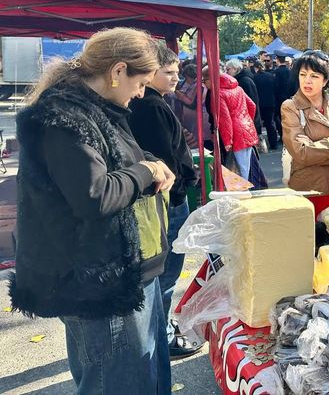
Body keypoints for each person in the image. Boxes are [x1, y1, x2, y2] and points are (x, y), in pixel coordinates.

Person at [11, 28, 175, 394]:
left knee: (142, 377)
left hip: (124, 272)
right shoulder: (63, 120)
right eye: (141, 82)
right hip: (95, 280)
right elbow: (93, 196)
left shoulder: (98, 109)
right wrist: (145, 171)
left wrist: (148, 163)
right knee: (113, 383)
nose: (141, 93)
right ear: (118, 71)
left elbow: (114, 161)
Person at [127, 44, 201, 361]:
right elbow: (163, 160)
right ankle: (163, 335)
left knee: (164, 273)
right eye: (168, 72)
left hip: (165, 199)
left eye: (175, 72)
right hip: (166, 201)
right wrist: (183, 185)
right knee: (166, 274)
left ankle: (159, 331)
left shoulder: (155, 103)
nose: (175, 78)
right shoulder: (151, 107)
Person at [281, 50, 329, 194]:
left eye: (314, 76)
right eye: (302, 75)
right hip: (307, 187)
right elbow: (302, 154)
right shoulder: (290, 106)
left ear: (325, 80)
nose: (307, 81)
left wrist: (314, 147)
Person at [202, 68, 258, 179]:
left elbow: (224, 119)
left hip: (235, 133)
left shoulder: (218, 94)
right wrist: (246, 120)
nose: (204, 84)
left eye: (204, 81)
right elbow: (252, 105)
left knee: (240, 170)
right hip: (246, 128)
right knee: (246, 166)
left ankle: (243, 193)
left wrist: (227, 141)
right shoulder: (238, 88)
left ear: (211, 79)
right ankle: (248, 190)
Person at [227, 58, 262, 135]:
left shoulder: (245, 81)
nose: (227, 72)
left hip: (249, 120)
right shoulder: (241, 80)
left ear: (235, 69)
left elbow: (252, 102)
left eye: (228, 69)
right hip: (247, 119)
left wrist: (251, 120)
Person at [252, 60, 279, 150]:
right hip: (270, 103)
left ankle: (260, 145)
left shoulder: (254, 78)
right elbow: (275, 89)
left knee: (258, 124)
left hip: (259, 104)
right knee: (270, 124)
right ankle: (273, 143)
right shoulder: (270, 76)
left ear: (256, 68)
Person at [273, 55, 291, 138]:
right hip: (288, 97)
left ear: (277, 60)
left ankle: (283, 135)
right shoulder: (289, 71)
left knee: (280, 118)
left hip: (279, 98)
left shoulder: (277, 72)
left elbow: (275, 86)